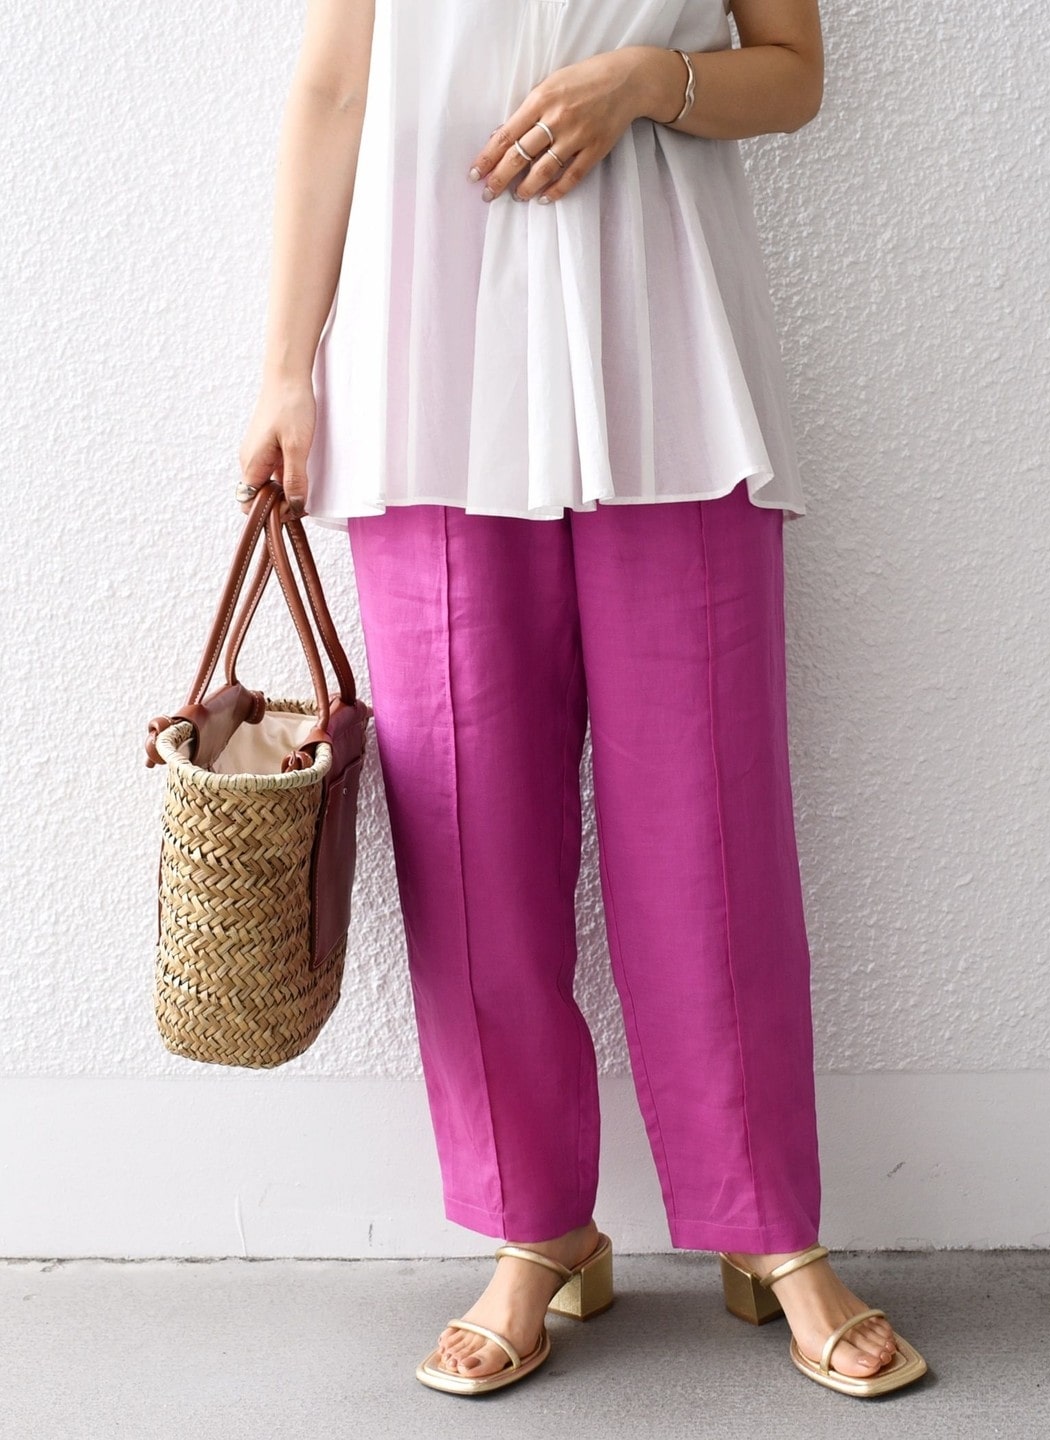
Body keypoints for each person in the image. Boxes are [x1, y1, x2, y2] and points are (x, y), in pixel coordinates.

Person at [235, 0, 928, 1401]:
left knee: (708, 827)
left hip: (667, 358)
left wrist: (648, 82)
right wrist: (282, 372)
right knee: (469, 836)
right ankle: (534, 1227)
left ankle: (769, 1229)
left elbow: (793, 72)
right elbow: (331, 92)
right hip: (426, 365)